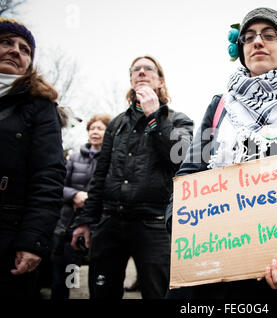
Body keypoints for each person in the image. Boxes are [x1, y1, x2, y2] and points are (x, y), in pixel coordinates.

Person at [165, 7, 277, 299]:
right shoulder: (219, 107)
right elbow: (189, 174)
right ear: (241, 51)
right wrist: (177, 224)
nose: (257, 42)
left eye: (269, 36)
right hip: (212, 272)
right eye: (249, 37)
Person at [71, 55, 194, 299]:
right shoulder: (116, 124)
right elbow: (100, 174)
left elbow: (179, 158)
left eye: (148, 69)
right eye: (136, 69)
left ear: (160, 81)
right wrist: (86, 220)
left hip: (154, 223)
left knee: (158, 293)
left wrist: (153, 116)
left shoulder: (177, 119)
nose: (141, 72)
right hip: (111, 223)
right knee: (102, 292)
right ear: (130, 79)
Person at [0, 18, 66, 299]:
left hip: (9, 232)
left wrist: (33, 241)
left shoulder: (40, 106)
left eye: (25, 49)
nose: (17, 51)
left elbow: (49, 175)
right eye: (6, 42)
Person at [51, 113, 111, 299]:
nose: (95, 132)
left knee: (98, 275)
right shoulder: (74, 158)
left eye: (100, 129)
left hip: (96, 226)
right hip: (68, 224)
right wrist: (75, 195)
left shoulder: (111, 160)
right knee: (64, 273)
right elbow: (57, 186)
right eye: (92, 128)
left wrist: (92, 199)